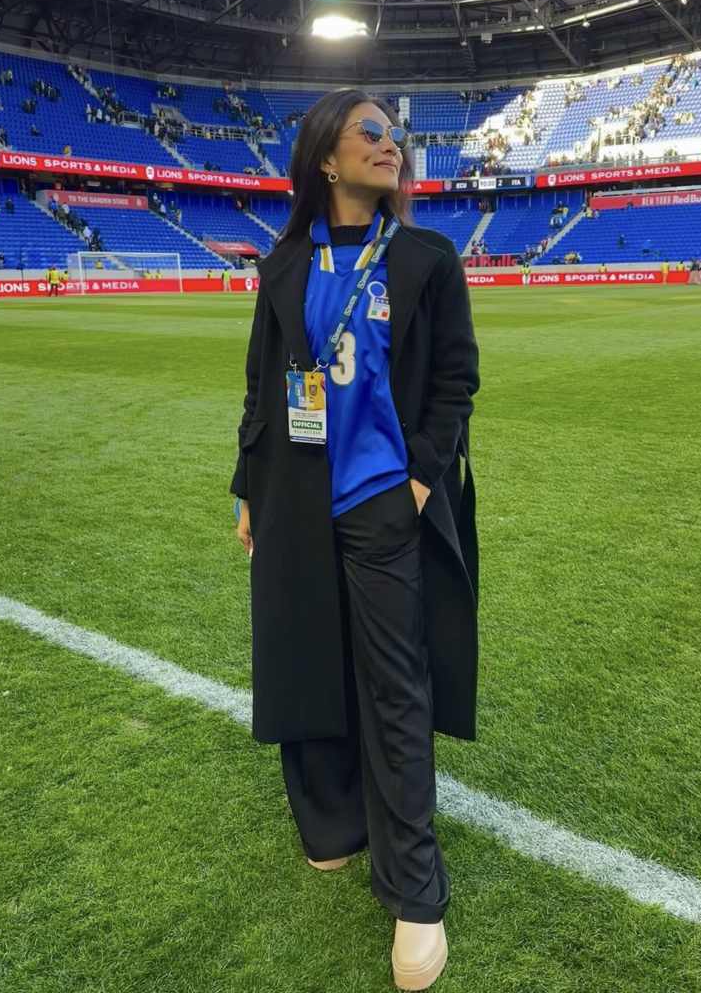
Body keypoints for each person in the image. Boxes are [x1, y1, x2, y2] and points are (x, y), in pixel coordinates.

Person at [229, 88, 478, 991]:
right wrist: (244, 489)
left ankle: (415, 893)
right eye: (368, 132)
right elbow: (263, 388)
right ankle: (332, 823)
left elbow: (456, 379)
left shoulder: (425, 256)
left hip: (383, 502)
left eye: (394, 133)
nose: (390, 144)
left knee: (394, 687)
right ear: (324, 160)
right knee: (304, 658)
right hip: (293, 500)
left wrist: (416, 479)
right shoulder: (283, 265)